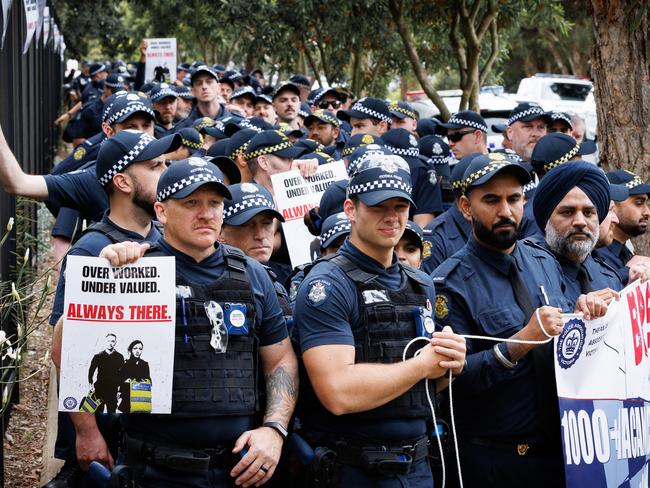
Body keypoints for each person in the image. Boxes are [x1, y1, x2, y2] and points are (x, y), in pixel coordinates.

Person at [95, 158, 298, 487]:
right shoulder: (134, 268)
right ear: (161, 211)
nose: (206, 213)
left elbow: (281, 360)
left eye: (214, 203)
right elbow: (69, 351)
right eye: (191, 203)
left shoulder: (253, 274)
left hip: (241, 468)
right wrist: (103, 280)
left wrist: (274, 430)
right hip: (157, 471)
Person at [431, 153, 607, 487]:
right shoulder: (448, 283)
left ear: (524, 201)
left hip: (562, 454)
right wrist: (519, 342)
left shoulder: (546, 260)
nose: (505, 212)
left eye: (513, 199)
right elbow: (448, 385)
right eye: (491, 200)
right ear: (467, 208)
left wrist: (591, 311)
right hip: (495, 463)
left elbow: (570, 344)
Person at [294, 153, 467, 487]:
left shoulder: (421, 283)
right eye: (378, 206)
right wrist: (423, 366)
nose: (391, 218)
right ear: (350, 209)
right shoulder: (327, 285)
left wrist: (450, 364)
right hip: (356, 468)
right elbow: (337, 393)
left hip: (417, 465)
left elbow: (427, 386)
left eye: (400, 207)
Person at [531, 161, 623, 304]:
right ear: (546, 218)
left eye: (588, 213)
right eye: (567, 212)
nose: (580, 221)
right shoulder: (527, 271)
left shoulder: (609, 278)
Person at [421, 153, 476, 274]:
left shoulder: (501, 227)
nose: (505, 210)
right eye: (491, 199)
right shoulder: (436, 237)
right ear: (465, 204)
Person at [593, 169, 650, 284]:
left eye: (646, 203)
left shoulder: (626, 253)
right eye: (638, 203)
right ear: (612, 206)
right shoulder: (592, 253)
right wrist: (627, 272)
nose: (647, 212)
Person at [87, 333, 124, 413]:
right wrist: (90, 385)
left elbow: (122, 375)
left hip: (113, 390)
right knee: (98, 412)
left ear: (115, 342)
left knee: (112, 413)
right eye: (108, 341)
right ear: (105, 342)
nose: (110, 343)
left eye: (112, 341)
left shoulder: (119, 357)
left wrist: (120, 390)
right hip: (100, 389)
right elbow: (91, 372)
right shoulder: (98, 356)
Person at [118, 340, 152, 414]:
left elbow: (149, 381)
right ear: (131, 350)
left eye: (140, 349)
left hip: (140, 400)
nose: (138, 351)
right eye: (135, 348)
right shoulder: (125, 364)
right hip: (127, 399)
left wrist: (145, 381)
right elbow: (120, 381)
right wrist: (125, 383)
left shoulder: (144, 364)